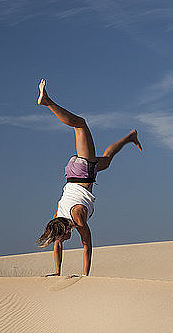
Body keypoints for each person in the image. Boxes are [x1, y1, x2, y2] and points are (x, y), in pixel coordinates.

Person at [35, 79, 142, 276]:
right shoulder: (58, 219)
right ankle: (130, 137)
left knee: (80, 124)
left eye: (65, 237)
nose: (65, 239)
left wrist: (86, 276)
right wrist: (56, 272)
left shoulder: (76, 217)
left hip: (83, 172)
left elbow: (87, 246)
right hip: (76, 173)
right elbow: (57, 244)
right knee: (107, 161)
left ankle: (47, 102)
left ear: (66, 230)